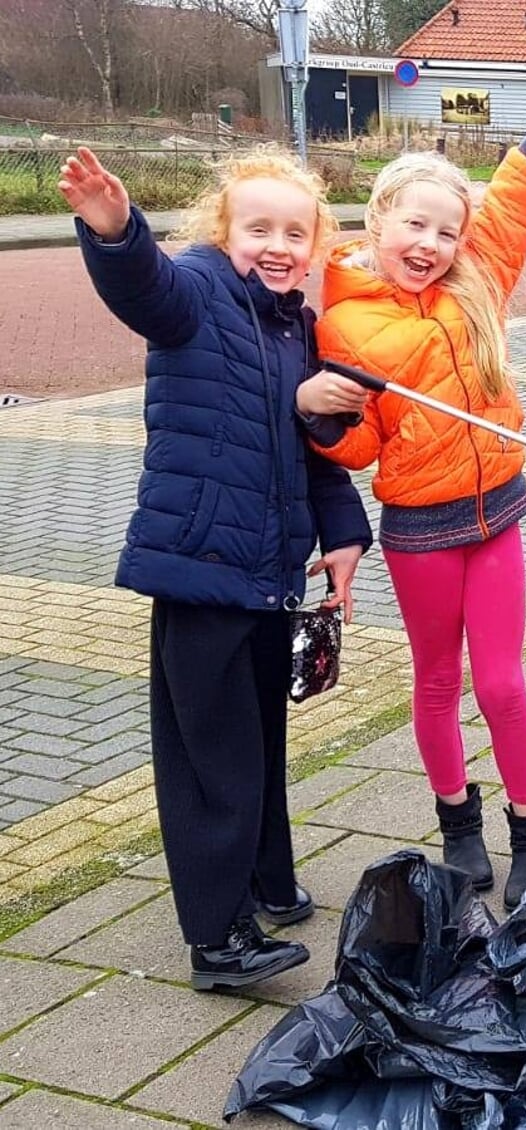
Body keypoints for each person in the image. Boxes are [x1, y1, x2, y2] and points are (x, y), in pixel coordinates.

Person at [301, 39, 526, 910]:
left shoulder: (481, 281)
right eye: (415, 226)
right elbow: (357, 450)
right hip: (420, 532)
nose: (431, 244)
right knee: (436, 682)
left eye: (446, 230)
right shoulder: (345, 324)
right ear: (377, 223)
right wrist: (322, 418)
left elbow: (515, 201)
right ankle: (458, 832)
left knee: (503, 681)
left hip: (497, 514)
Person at [63, 144, 371, 989]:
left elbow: (316, 452)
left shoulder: (297, 327)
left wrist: (342, 534)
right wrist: (116, 230)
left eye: (295, 232)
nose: (277, 245)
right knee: (213, 761)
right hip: (200, 569)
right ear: (220, 230)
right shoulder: (197, 290)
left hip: (270, 575)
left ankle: (268, 881)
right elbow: (144, 290)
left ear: (315, 246)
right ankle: (219, 936)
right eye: (257, 227)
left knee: (261, 739)